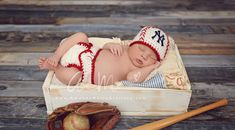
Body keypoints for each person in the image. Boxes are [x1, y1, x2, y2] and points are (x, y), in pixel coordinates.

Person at [38, 26, 169, 86]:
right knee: (81, 36)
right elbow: (104, 47)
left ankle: (56, 68)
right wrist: (110, 45)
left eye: (152, 57)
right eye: (141, 48)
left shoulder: (135, 69)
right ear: (132, 44)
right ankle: (56, 56)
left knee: (73, 78)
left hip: (83, 71)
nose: (144, 56)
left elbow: (133, 79)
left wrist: (150, 68)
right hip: (88, 50)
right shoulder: (124, 48)